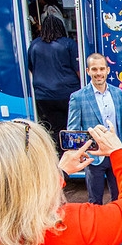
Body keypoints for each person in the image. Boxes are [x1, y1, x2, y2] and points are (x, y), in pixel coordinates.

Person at [68, 54, 122, 205]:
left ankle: (120, 228)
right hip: (94, 158)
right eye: (94, 69)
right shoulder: (78, 97)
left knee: (119, 198)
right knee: (95, 201)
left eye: (101, 69)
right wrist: (79, 153)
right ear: (88, 71)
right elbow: (73, 131)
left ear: (107, 70)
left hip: (115, 154)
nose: (98, 73)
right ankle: (97, 229)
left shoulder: (118, 94)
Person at [27, 15, 80, 147]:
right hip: (68, 93)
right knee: (73, 126)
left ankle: (62, 155)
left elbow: (31, 68)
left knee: (57, 128)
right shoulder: (68, 43)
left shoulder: (34, 45)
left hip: (44, 96)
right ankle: (73, 153)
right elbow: (78, 70)